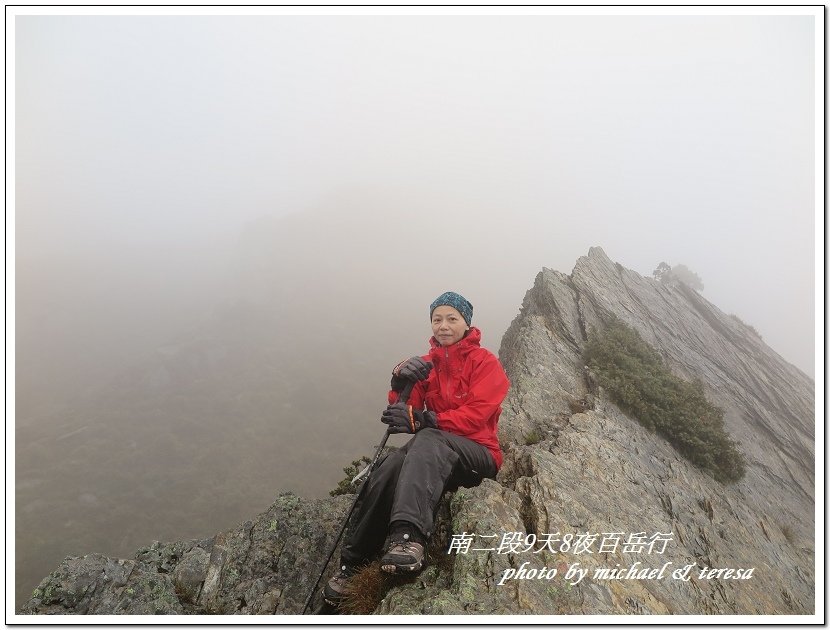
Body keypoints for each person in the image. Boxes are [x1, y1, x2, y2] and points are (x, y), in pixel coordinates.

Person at [324, 291, 510, 606]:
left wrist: (425, 420)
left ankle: (408, 539)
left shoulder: (486, 363)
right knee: (390, 466)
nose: (444, 325)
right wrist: (400, 386)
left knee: (428, 438)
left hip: (479, 455)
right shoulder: (426, 366)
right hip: (436, 454)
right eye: (437, 319)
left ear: (467, 323)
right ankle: (352, 564)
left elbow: (477, 416)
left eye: (452, 318)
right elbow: (406, 409)